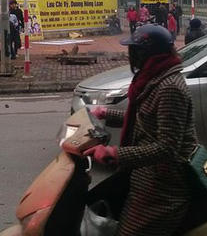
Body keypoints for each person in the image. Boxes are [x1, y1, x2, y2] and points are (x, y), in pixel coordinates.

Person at [85, 24, 198, 236]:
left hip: (164, 185)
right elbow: (144, 119)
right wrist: (107, 113)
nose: (131, 56)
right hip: (144, 175)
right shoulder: (155, 78)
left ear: (146, 54)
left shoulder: (169, 87)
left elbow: (167, 148)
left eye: (134, 51)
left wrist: (115, 153)